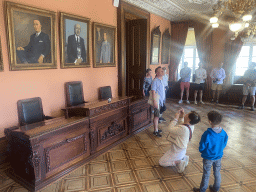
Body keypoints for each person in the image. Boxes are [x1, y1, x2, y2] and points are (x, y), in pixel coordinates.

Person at [193, 111, 228, 192]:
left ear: (210, 122)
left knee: (206, 174)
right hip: (219, 156)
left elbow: (202, 145)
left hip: (208, 157)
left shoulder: (207, 134)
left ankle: (202, 190)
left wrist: (202, 151)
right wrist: (219, 149)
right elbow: (224, 143)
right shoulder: (224, 133)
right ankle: (216, 188)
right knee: (217, 173)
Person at [159, 108, 201, 173]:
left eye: (187, 114)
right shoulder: (191, 125)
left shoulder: (183, 129)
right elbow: (183, 124)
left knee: (161, 162)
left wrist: (176, 118)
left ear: (189, 119)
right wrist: (181, 117)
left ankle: (179, 162)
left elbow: (170, 129)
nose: (186, 114)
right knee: (166, 157)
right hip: (181, 149)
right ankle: (183, 157)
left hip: (177, 150)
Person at [151, 66, 166, 137]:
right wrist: (155, 102)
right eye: (161, 71)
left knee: (158, 116)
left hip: (161, 101)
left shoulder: (161, 80)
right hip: (157, 101)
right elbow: (153, 92)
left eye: (163, 71)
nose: (162, 72)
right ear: (157, 73)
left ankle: (156, 129)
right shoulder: (155, 81)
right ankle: (155, 131)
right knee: (156, 116)